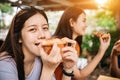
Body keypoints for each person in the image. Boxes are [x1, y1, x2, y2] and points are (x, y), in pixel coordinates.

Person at [0, 6, 77, 80]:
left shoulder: (42, 61)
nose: (42, 35)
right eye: (33, 29)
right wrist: (48, 69)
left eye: (45, 28)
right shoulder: (4, 65)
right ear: (19, 37)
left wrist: (68, 69)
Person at [53, 6, 111, 80]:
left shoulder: (74, 45)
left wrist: (102, 50)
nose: (86, 25)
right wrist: (101, 52)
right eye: (83, 21)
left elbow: (78, 75)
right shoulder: (58, 44)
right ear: (72, 22)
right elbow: (79, 76)